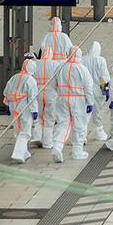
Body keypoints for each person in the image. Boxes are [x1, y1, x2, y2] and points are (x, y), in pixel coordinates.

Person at [45, 50, 95, 162]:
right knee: (79, 125)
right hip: (78, 100)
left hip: (62, 98)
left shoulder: (60, 67)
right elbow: (89, 87)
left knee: (63, 124)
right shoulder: (82, 69)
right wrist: (90, 102)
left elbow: (52, 85)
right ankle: (77, 151)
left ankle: (57, 147)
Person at [36, 16, 75, 144]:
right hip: (61, 65)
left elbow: (39, 50)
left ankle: (37, 136)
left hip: (46, 72)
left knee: (41, 114)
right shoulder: (64, 37)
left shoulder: (46, 37)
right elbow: (70, 51)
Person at [4, 57, 41, 163]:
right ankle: (19, 153)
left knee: (18, 130)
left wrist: (7, 104)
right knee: (25, 132)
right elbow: (32, 97)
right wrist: (34, 111)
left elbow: (6, 91)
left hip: (13, 107)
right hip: (24, 107)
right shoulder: (30, 80)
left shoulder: (14, 77)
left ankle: (24, 152)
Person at [80, 41, 112, 147]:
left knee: (84, 113)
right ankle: (99, 132)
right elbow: (104, 77)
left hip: (84, 90)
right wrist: (106, 90)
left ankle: (82, 135)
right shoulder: (100, 60)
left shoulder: (82, 59)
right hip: (97, 90)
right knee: (97, 112)